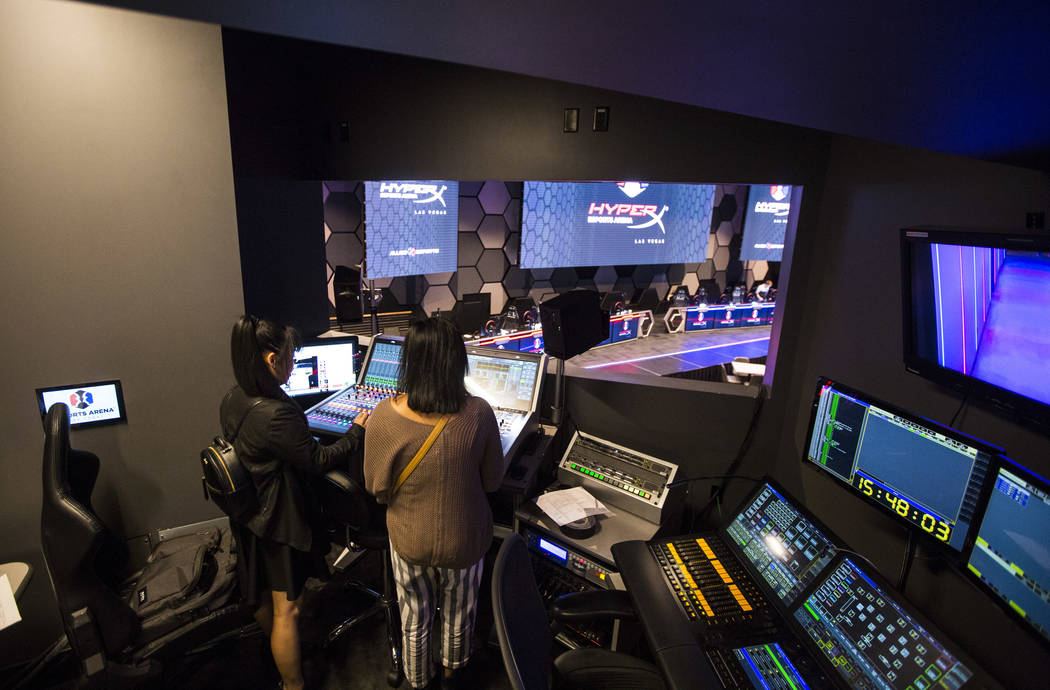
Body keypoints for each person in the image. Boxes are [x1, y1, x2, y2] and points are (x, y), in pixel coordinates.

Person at [221, 315, 368, 690]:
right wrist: (356, 432)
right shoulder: (276, 415)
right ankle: (293, 683)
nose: (293, 363)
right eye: (290, 357)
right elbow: (317, 461)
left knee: (264, 601)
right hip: (279, 522)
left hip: (250, 515)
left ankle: (279, 655)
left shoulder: (234, 397)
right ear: (271, 360)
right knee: (289, 608)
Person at [363, 317, 503, 690]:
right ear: (458, 362)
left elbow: (376, 489)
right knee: (460, 612)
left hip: (408, 541)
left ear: (410, 361)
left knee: (414, 617)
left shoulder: (381, 417)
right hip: (465, 540)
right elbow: (493, 482)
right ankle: (452, 672)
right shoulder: (480, 414)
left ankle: (419, 680)